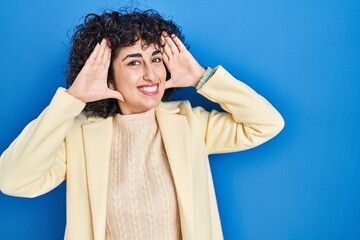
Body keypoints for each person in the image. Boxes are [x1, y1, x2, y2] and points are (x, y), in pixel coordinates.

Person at [0, 9, 284, 240]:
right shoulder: (79, 135)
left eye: (157, 59)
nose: (151, 74)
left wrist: (202, 78)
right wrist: (73, 99)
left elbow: (266, 123)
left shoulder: (189, 122)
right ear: (108, 77)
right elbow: (12, 180)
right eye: (134, 63)